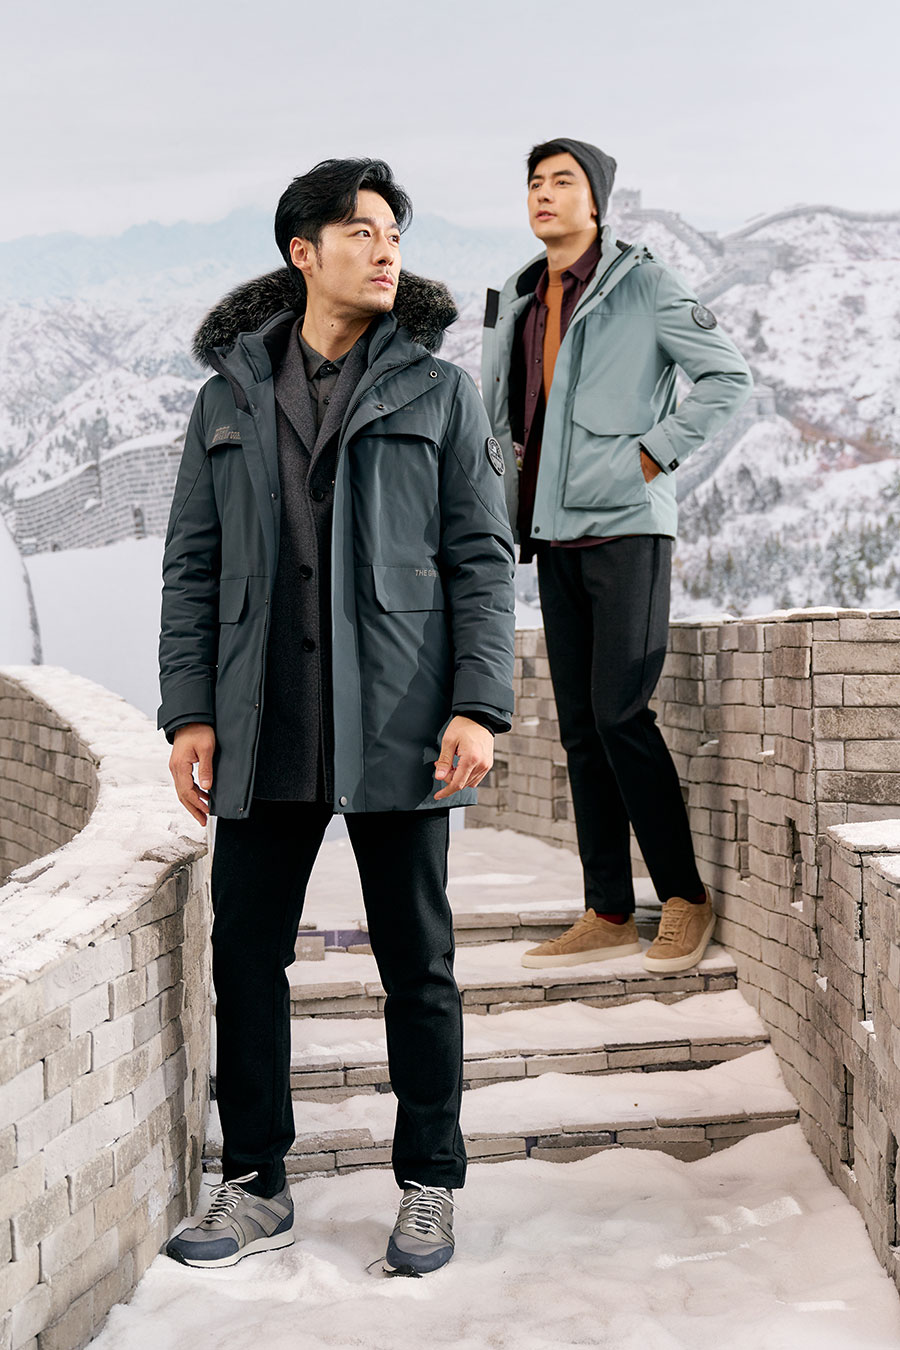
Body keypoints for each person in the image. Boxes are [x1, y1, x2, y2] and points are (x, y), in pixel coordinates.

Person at [158, 158, 515, 1276]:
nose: (386, 248)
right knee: (245, 958)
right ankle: (256, 1182)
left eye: (393, 232)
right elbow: (192, 568)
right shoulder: (226, 399)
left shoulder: (439, 392)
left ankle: (430, 1183)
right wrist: (189, 711)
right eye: (361, 231)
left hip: (401, 719)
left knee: (419, 962)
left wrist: (478, 705)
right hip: (262, 721)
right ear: (302, 252)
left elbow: (482, 560)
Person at [481, 138, 752, 975]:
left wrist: (651, 456)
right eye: (535, 182)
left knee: (620, 715)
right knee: (579, 731)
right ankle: (606, 909)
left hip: (629, 528)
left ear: (596, 201)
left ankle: (684, 897)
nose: (544, 193)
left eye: (562, 181)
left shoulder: (645, 285)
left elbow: (727, 380)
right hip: (551, 532)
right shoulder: (520, 297)